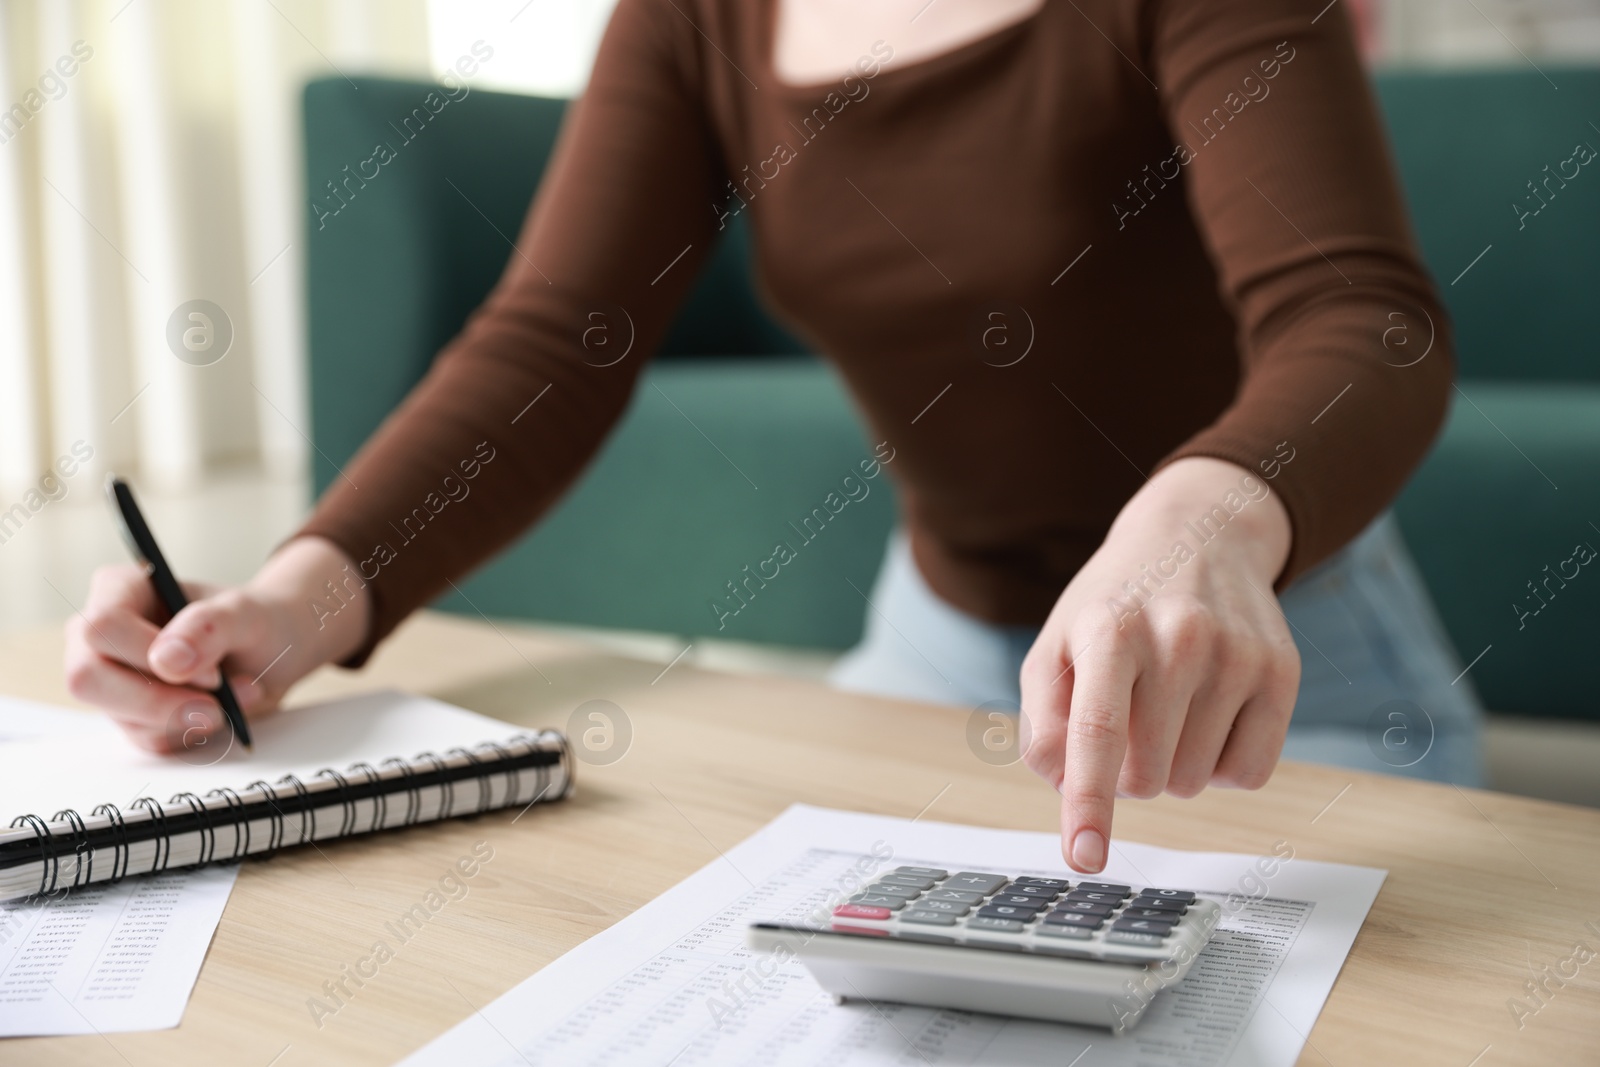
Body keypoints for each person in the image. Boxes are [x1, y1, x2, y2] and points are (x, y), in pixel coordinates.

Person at [63, 0, 1483, 875]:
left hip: (1261, 658)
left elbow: (1361, 317)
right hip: (936, 644)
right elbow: (556, 340)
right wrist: (288, 604)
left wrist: (1196, 523)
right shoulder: (699, 14)